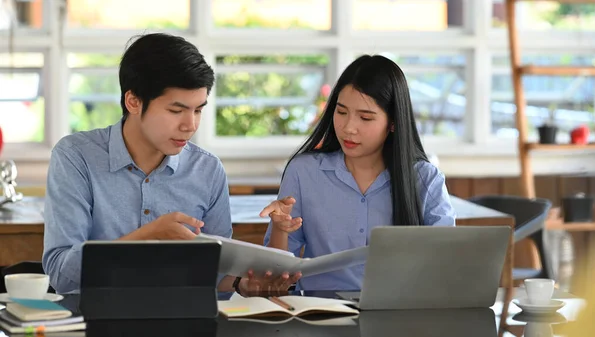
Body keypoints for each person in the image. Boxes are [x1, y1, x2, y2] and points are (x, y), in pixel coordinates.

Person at [42, 33, 299, 296]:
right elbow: (61, 274)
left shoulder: (207, 171)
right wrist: (146, 237)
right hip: (92, 323)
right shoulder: (76, 157)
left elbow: (217, 276)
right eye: (176, 111)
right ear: (133, 101)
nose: (190, 125)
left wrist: (241, 284)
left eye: (198, 110)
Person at [260, 55, 456, 291]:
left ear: (393, 122)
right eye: (341, 112)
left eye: (365, 117)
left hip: (400, 317)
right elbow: (276, 277)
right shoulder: (304, 172)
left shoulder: (425, 179)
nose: (348, 127)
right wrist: (281, 229)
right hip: (320, 315)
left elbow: (446, 266)